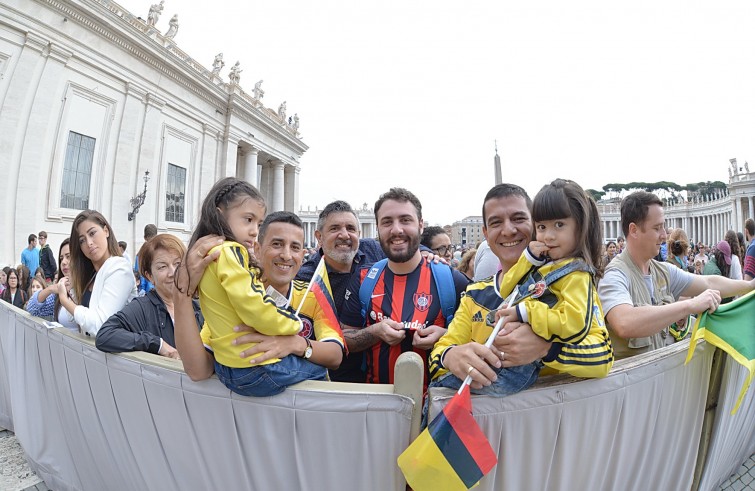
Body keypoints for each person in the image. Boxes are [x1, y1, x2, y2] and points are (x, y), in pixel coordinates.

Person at [430, 180, 610, 396]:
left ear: (533, 224)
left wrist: (547, 349)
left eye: (518, 219)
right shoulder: (474, 294)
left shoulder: (565, 281)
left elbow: (603, 356)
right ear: (486, 234)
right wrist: (452, 356)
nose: (508, 230)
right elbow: (437, 357)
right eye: (496, 223)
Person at [175, 178, 333, 396]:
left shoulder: (312, 294)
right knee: (319, 373)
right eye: (276, 244)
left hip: (231, 371)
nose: (286, 255)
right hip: (257, 374)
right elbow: (198, 370)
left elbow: (336, 353)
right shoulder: (233, 268)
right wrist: (180, 294)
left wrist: (295, 344)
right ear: (257, 248)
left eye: (295, 247)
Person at [598, 191, 755, 359]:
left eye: (663, 227)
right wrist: (690, 305)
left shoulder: (663, 271)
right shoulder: (614, 275)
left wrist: (750, 286)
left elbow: (708, 282)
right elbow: (624, 322)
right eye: (657, 228)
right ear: (634, 230)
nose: (665, 236)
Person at [339, 188, 470, 385]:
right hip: (378, 404)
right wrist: (375, 332)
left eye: (405, 220)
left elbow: (482, 338)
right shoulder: (364, 279)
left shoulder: (452, 280)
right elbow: (344, 339)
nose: (396, 230)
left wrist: (446, 337)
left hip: (437, 406)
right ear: (378, 228)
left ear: (421, 225)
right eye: (387, 222)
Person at [95, 234, 201, 358]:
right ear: (150, 276)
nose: (172, 272)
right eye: (162, 267)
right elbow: (105, 335)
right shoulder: (142, 308)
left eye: (177, 263)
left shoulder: (199, 307)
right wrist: (157, 344)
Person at [56, 210, 136, 337]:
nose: (89, 243)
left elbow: (100, 326)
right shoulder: (92, 275)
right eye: (82, 240)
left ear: (106, 231)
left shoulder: (120, 268)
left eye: (92, 233)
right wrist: (70, 292)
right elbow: (76, 319)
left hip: (113, 354)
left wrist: (64, 300)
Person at [25, 238, 77, 331]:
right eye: (61, 258)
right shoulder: (58, 292)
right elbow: (32, 308)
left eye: (68, 256)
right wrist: (51, 289)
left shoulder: (89, 289)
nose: (64, 262)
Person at [135, 224, 157, 294]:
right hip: (156, 290)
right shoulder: (159, 253)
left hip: (144, 291)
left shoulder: (139, 255)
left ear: (144, 237)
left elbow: (137, 273)